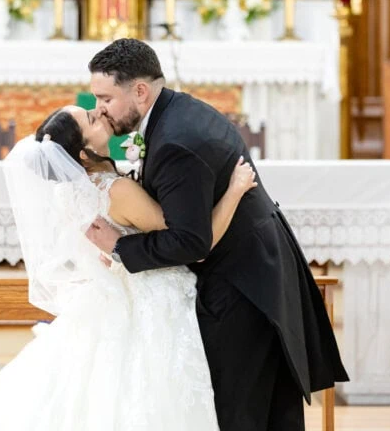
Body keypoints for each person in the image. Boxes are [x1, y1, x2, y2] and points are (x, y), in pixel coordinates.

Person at [0, 104, 256, 431]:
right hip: (153, 294)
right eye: (91, 118)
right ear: (84, 153)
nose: (100, 113)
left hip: (113, 290)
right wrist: (234, 190)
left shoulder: (69, 192)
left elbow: (106, 246)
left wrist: (117, 248)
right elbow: (195, 246)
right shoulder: (118, 190)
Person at [85, 39, 349, 431]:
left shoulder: (175, 141)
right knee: (263, 408)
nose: (99, 109)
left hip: (242, 283)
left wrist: (119, 246)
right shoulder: (175, 112)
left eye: (105, 97)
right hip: (253, 265)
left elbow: (191, 241)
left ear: (139, 91)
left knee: (238, 410)